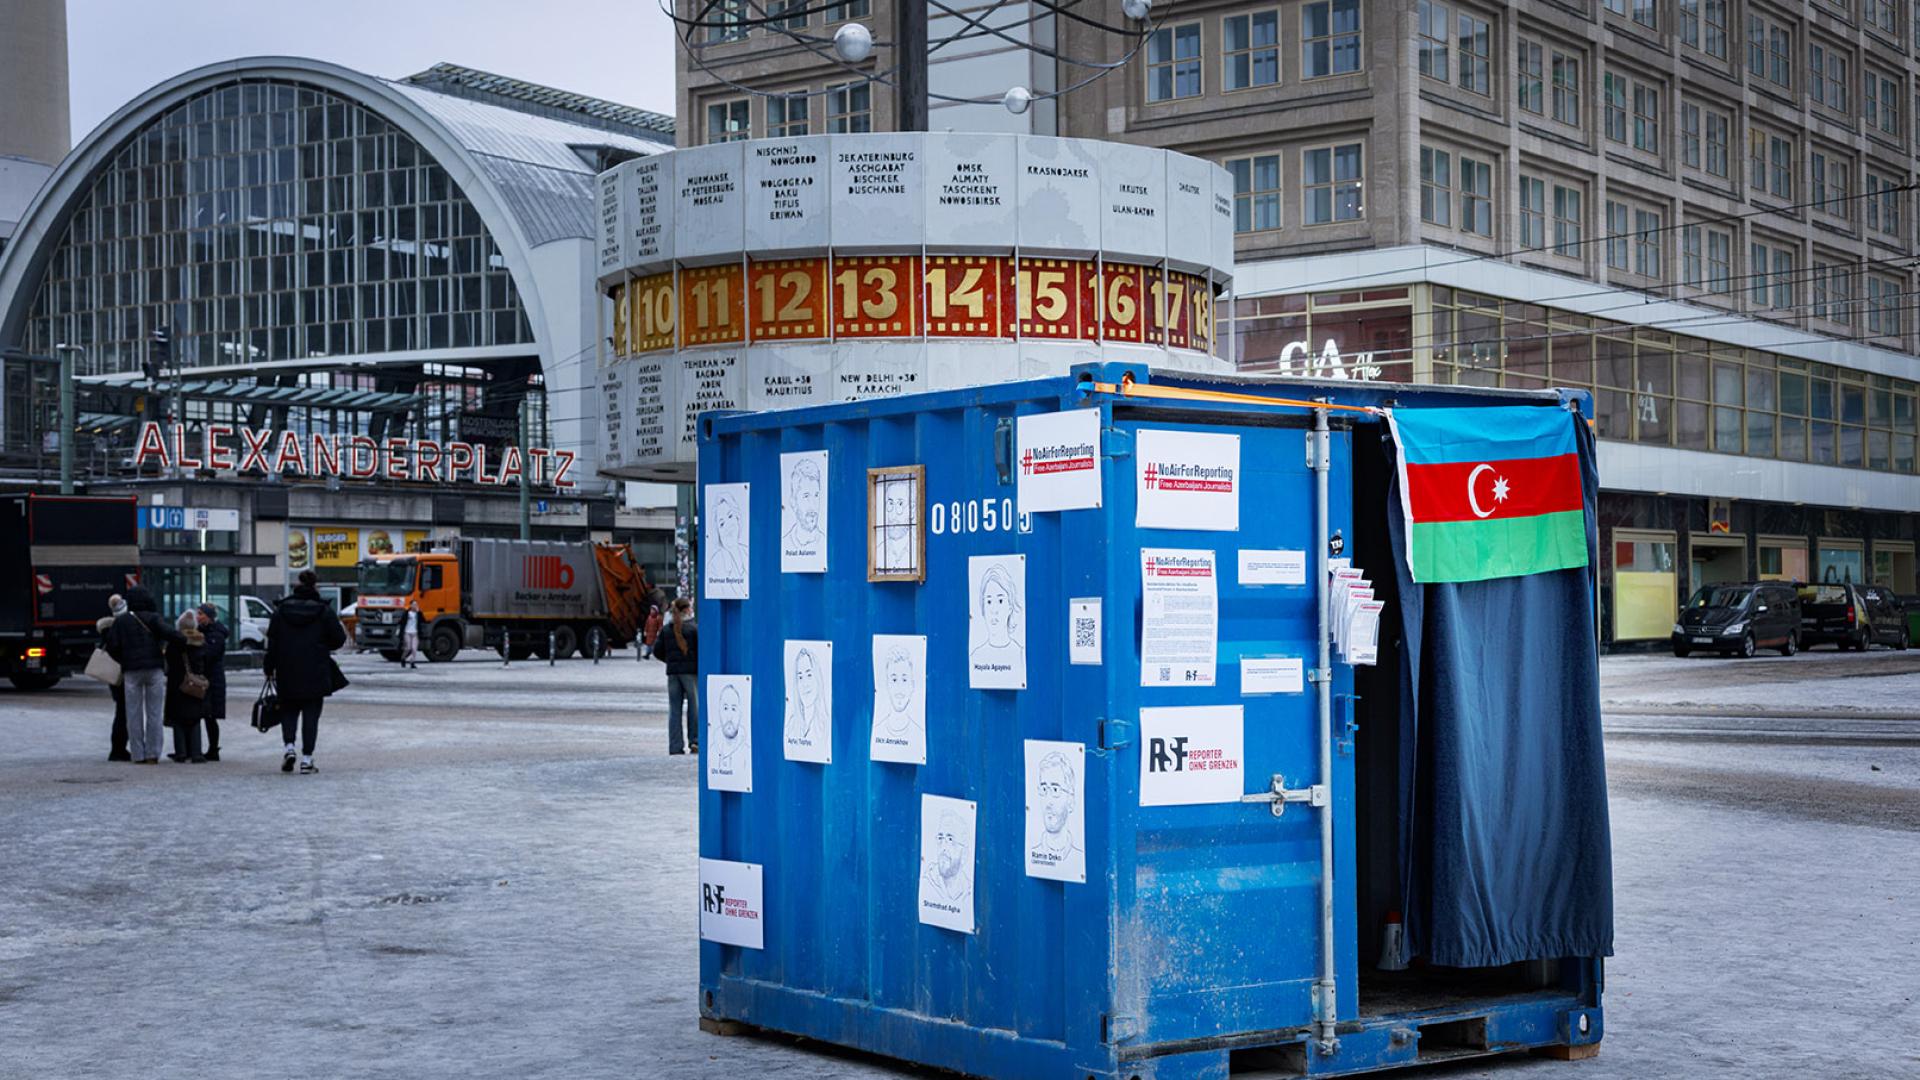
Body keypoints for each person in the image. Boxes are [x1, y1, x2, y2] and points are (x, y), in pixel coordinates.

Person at [264, 569, 348, 774]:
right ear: (315, 585)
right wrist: (321, 645)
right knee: (311, 716)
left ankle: (289, 748)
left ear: (297, 585)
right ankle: (307, 759)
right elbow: (339, 639)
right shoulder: (323, 611)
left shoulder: (281, 610)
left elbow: (272, 642)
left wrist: (269, 668)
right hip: (315, 669)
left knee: (289, 711)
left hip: (287, 668)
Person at [102, 585, 185, 764]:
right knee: (154, 713)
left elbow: (111, 646)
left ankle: (137, 754)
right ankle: (152, 754)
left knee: (133, 713)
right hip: (154, 669)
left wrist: (124, 659)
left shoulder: (122, 621)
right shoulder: (153, 618)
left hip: (131, 671)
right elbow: (172, 635)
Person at [652, 598, 699, 755]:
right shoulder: (693, 629)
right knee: (694, 708)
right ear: (686, 610)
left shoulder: (666, 629)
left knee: (675, 710)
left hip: (673, 674)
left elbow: (657, 651)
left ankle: (675, 746)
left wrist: (670, 661)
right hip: (690, 674)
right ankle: (695, 741)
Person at [164, 609, 209, 763]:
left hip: (177, 684)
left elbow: (169, 663)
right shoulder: (201, 642)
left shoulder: (174, 643)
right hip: (195, 683)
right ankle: (196, 752)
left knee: (178, 719)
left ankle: (181, 752)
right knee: (195, 718)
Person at [98, 595, 131, 762]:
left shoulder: (105, 628)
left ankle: (118, 748)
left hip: (113, 675)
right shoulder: (121, 626)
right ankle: (119, 749)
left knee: (121, 711)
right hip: (124, 674)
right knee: (124, 713)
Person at [195, 603, 229, 762]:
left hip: (212, 679)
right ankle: (210, 748)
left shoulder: (216, 634)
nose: (198, 616)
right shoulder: (203, 631)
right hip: (207, 678)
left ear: (208, 616)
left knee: (210, 715)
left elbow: (209, 655)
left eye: (201, 613)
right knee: (206, 714)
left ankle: (213, 749)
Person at [402, 599, 421, 669]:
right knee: (408, 648)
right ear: (410, 605)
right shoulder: (407, 613)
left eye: (416, 604)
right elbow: (402, 622)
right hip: (407, 632)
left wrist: (419, 612)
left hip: (415, 632)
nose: (414, 606)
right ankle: (403, 658)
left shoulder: (418, 614)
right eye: (413, 604)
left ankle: (412, 662)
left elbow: (423, 620)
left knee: (414, 649)